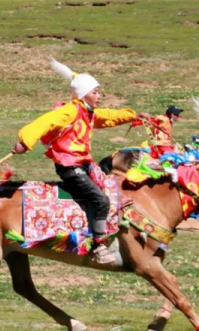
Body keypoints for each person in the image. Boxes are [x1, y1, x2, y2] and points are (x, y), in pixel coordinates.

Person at [11, 58, 149, 264]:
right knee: (100, 200)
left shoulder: (89, 113)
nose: (99, 97)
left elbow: (110, 116)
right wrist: (25, 141)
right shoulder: (70, 111)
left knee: (113, 190)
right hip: (69, 167)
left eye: (99, 92)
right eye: (95, 93)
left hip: (84, 164)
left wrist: (133, 115)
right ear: (84, 94)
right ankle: (99, 246)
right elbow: (45, 122)